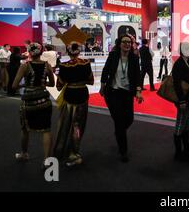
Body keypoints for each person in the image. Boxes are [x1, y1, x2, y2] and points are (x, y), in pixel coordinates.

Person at [100, 34, 144, 162]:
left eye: (129, 42)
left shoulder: (134, 58)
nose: (127, 44)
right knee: (119, 120)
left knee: (129, 119)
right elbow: (105, 70)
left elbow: (137, 75)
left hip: (127, 93)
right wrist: (102, 86)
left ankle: (119, 133)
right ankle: (123, 151)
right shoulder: (113, 56)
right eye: (124, 42)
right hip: (113, 93)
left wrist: (138, 91)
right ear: (119, 44)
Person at [12, 43, 55, 167]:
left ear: (30, 53)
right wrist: (42, 84)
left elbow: (14, 85)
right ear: (41, 52)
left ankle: (24, 153)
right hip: (44, 101)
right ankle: (47, 161)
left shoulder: (25, 66)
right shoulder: (47, 66)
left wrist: (25, 85)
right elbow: (51, 84)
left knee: (25, 129)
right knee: (46, 130)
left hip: (29, 102)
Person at [53, 42, 94, 167]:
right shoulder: (86, 63)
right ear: (79, 51)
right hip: (82, 95)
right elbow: (91, 81)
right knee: (78, 126)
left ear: (68, 51)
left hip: (69, 95)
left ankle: (60, 151)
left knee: (65, 124)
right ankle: (74, 153)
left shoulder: (64, 65)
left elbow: (59, 86)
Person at [171, 42, 189, 161]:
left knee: (186, 125)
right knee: (180, 124)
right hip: (182, 99)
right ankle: (178, 153)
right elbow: (177, 84)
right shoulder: (178, 64)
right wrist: (181, 100)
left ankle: (186, 150)